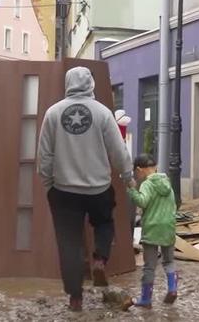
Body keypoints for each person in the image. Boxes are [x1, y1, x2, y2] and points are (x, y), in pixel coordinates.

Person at [37, 66, 133, 312]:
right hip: (98, 188)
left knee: (68, 243)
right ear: (90, 84)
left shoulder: (53, 113)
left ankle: (75, 298)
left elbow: (44, 155)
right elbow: (118, 150)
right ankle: (100, 259)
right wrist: (127, 175)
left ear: (68, 83)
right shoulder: (102, 113)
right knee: (104, 223)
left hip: (64, 191)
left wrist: (48, 184)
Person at [121, 154, 177, 311]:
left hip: (152, 228)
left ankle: (146, 299)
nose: (136, 177)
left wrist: (132, 190)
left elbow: (142, 201)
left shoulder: (147, 184)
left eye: (136, 173)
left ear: (139, 170)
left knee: (149, 266)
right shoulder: (167, 182)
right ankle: (172, 289)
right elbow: (174, 205)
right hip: (168, 227)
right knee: (169, 261)